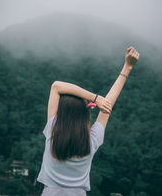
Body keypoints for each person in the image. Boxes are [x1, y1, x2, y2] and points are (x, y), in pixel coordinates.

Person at [37, 46, 140, 196]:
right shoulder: (91, 141)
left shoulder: (53, 130)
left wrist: (94, 98)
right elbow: (108, 105)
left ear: (61, 113)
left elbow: (56, 86)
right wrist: (127, 67)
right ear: (85, 114)